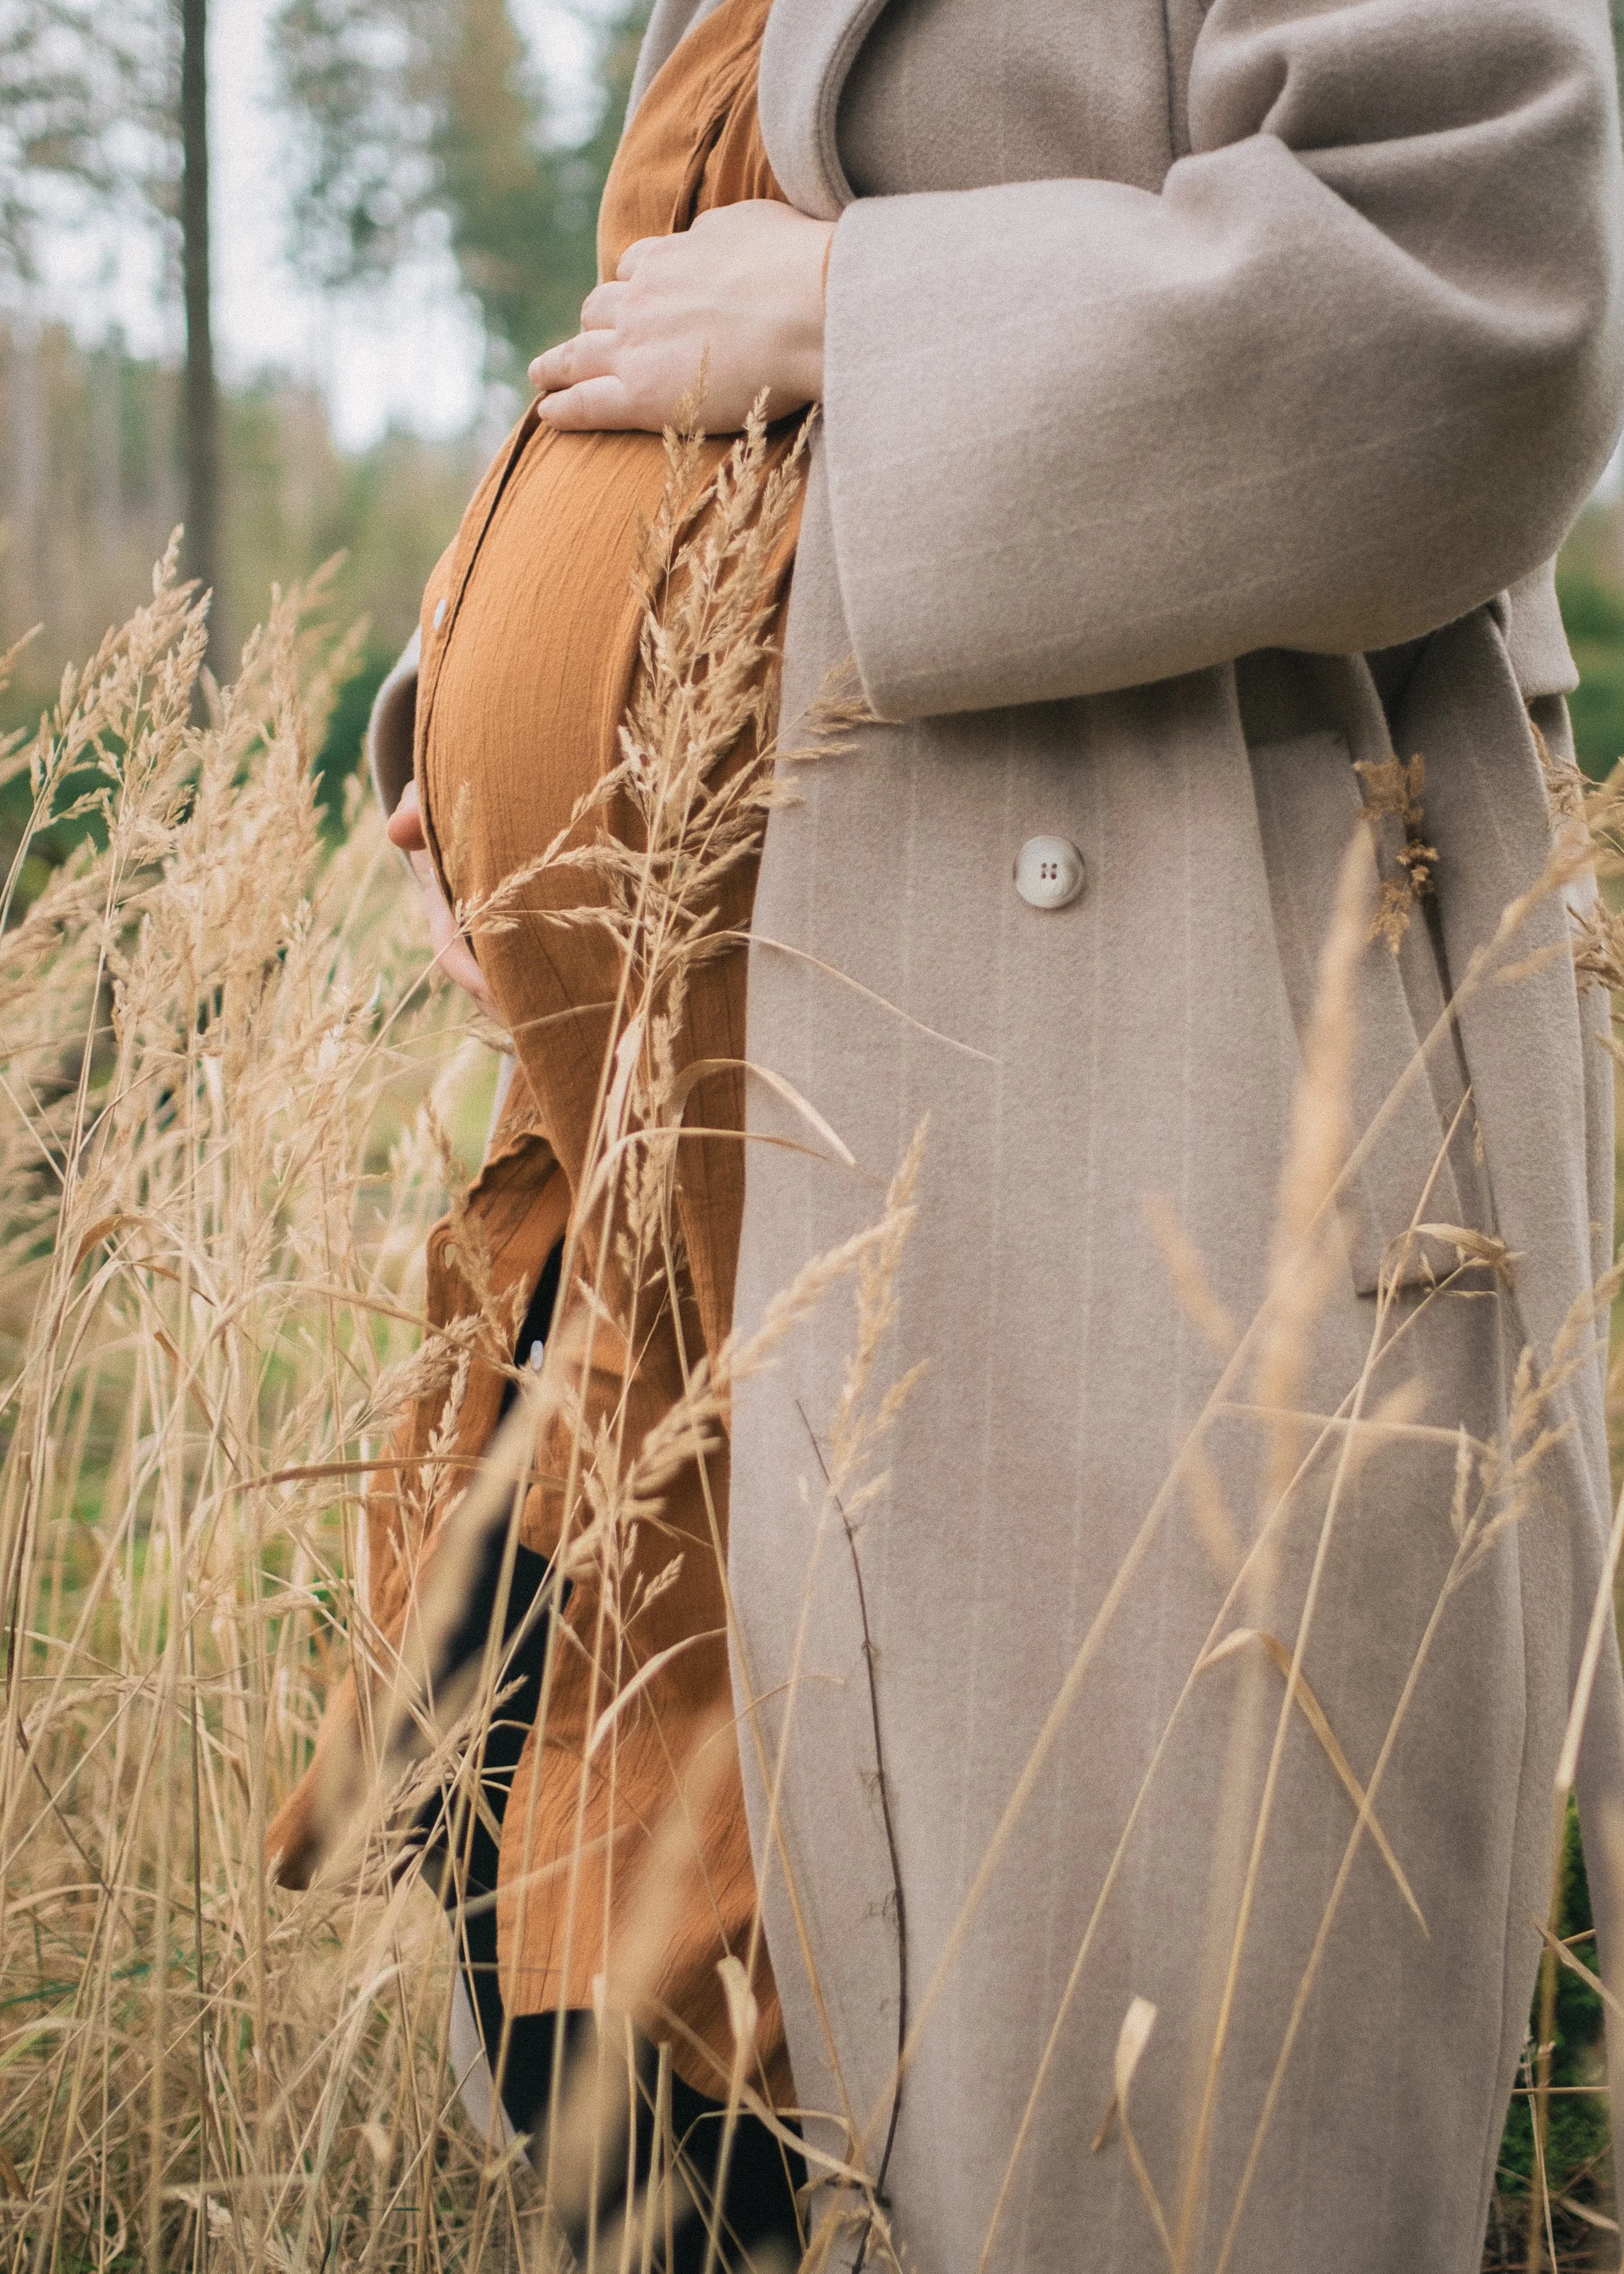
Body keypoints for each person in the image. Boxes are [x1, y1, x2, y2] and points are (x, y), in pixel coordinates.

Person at [285, 0, 1624, 2268]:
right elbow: (685, 307)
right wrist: (490, 670)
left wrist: (859, 310)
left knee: (1115, 2142)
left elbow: (1481, 279)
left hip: (1097, 1154)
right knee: (631, 2126)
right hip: (680, 1256)